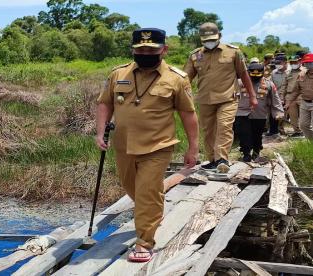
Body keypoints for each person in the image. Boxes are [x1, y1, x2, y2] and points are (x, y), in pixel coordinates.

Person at [96, 28, 199, 262]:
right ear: (133, 50)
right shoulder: (118, 74)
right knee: (133, 188)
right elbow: (104, 104)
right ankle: (154, 210)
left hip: (158, 146)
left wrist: (193, 147)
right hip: (123, 146)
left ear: (164, 49)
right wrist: (100, 132)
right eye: (140, 49)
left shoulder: (177, 78)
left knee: (146, 192)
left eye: (151, 49)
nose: (145, 53)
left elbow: (188, 114)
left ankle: (145, 242)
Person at [184, 22, 257, 171]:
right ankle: (212, 160)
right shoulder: (195, 55)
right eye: (205, 40)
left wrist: (252, 95)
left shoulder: (233, 52)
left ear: (220, 36)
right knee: (208, 130)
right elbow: (185, 79)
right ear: (201, 39)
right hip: (205, 99)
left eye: (212, 39)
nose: (209, 42)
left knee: (224, 127)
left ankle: (222, 158)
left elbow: (243, 74)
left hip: (228, 98)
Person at [234, 62, 284, 161]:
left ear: (262, 72)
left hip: (259, 115)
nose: (255, 77)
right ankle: (246, 154)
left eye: (258, 75)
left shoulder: (269, 84)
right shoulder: (239, 82)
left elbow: (275, 99)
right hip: (242, 113)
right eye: (253, 74)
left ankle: (256, 153)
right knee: (244, 134)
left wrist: (278, 112)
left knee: (257, 136)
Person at [288, 53, 313, 140]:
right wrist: (288, 102)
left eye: (310, 63)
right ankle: (311, 143)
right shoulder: (301, 75)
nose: (308, 65)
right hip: (305, 103)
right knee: (303, 125)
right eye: (306, 63)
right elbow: (295, 91)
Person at [279, 55, 305, 137]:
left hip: (302, 96)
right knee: (293, 116)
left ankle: (306, 131)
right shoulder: (287, 72)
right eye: (292, 62)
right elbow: (284, 86)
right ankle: (297, 131)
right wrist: (282, 98)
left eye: (295, 62)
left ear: (300, 61)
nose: (293, 63)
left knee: (304, 115)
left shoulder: (305, 71)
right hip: (290, 97)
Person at [269, 54, 290, 136]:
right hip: (276, 96)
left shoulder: (290, 72)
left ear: (285, 63)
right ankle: (273, 131)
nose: (277, 64)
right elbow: (271, 84)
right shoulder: (274, 73)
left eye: (279, 63)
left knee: (285, 115)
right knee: (273, 114)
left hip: (287, 96)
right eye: (276, 63)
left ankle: (283, 130)